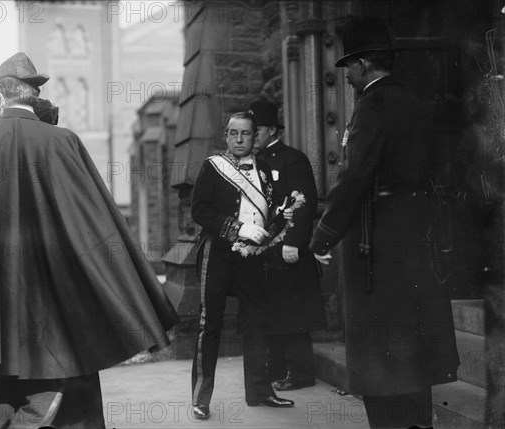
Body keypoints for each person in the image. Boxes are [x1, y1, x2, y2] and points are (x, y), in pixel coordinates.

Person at [0, 52, 180, 429]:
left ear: (1, 96)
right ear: (33, 95)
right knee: (67, 401)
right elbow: (95, 227)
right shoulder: (62, 142)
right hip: (56, 309)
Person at [309, 17, 460, 428]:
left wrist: (323, 236)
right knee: (413, 349)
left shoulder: (371, 107)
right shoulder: (415, 103)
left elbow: (355, 176)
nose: (350, 79)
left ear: (362, 65)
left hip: (376, 242)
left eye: (350, 70)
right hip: (416, 236)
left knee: (380, 351)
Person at [190, 111, 295, 420]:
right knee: (210, 324)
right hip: (218, 254)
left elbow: (270, 213)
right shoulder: (212, 168)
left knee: (258, 320)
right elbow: (200, 210)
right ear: (226, 136)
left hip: (253, 257)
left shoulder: (263, 169)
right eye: (233, 134)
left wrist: (281, 219)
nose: (239, 140)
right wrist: (236, 228)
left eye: (245, 134)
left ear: (255, 137)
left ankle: (260, 390)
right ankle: (200, 398)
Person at [249, 100, 326, 391]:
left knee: (292, 312)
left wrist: (293, 242)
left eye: (257, 130)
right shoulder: (251, 162)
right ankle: (277, 368)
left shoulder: (292, 159)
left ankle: (301, 373)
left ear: (271, 130)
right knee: (270, 311)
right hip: (262, 249)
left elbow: (303, 201)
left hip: (286, 248)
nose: (252, 135)